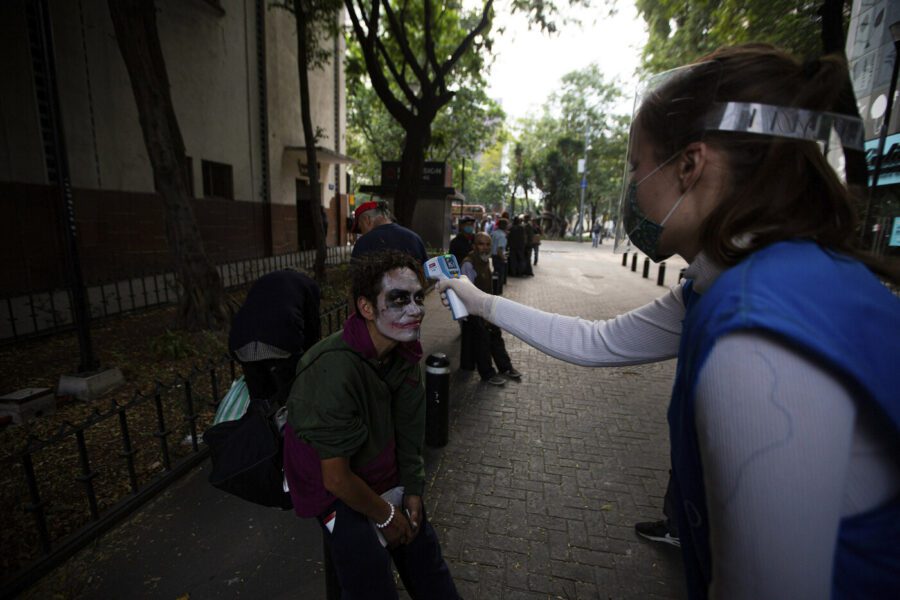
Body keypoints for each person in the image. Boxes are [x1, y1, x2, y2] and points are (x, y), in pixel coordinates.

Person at [437, 44, 900, 599]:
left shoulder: (758, 338)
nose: (632, 189)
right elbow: (597, 340)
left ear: (689, 165)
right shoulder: (741, 281)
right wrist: (481, 301)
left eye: (637, 167)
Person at [283, 250, 459, 600]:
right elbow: (335, 477)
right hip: (333, 487)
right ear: (366, 308)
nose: (415, 310)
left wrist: (412, 490)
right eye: (398, 299)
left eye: (417, 298)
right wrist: (384, 514)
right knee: (368, 578)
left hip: (381, 472)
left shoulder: (405, 355)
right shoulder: (331, 369)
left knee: (426, 560)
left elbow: (411, 433)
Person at [228, 269, 321, 400]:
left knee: (260, 401)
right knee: (290, 395)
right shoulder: (309, 285)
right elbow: (312, 325)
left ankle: (261, 416)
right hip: (280, 341)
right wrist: (310, 356)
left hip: (243, 345)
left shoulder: (265, 280)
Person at [459, 232, 522, 386]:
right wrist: (478, 313)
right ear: (474, 246)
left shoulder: (487, 260)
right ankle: (487, 374)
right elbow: (467, 292)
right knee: (482, 341)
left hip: (488, 307)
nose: (485, 247)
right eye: (481, 244)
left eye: (488, 244)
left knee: (496, 337)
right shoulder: (469, 263)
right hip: (475, 310)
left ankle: (505, 367)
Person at [351, 200, 428, 265]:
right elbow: (427, 274)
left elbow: (355, 278)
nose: (362, 233)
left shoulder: (363, 243)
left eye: (360, 228)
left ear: (367, 220)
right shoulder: (414, 238)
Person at [490, 218, 509, 287]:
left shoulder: (494, 233)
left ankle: (495, 287)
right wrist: (503, 258)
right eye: (507, 225)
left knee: (496, 273)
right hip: (498, 257)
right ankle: (498, 289)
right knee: (500, 274)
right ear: (505, 226)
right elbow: (499, 250)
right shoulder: (502, 236)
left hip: (494, 256)